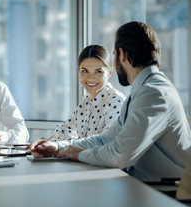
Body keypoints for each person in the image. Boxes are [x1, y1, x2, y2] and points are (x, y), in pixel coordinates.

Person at [28, 21, 191, 181]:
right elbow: (106, 139)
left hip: (166, 193)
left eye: (114, 55)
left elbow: (119, 155)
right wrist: (59, 147)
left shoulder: (154, 93)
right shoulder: (142, 92)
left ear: (123, 54)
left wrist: (78, 154)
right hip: (146, 186)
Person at [53, 45, 125, 141]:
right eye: (85, 71)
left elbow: (107, 141)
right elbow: (61, 132)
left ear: (109, 73)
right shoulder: (85, 101)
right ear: (79, 71)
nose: (91, 78)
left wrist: (76, 143)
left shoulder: (117, 101)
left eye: (98, 71)